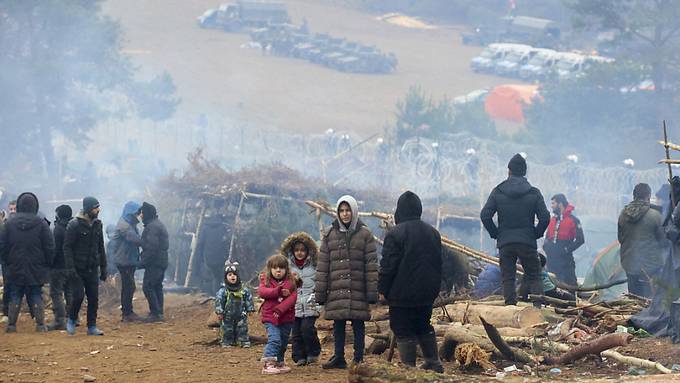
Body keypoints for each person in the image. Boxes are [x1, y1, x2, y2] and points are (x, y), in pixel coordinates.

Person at [379, 191, 444, 372]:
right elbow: (438, 264)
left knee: (403, 329)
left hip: (402, 295)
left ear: (399, 210)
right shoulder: (433, 233)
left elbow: (388, 266)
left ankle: (408, 369)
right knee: (423, 325)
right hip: (427, 293)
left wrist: (382, 289)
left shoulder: (395, 234)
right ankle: (433, 362)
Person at [316, 195, 378, 369]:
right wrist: (320, 293)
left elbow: (371, 265)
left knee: (358, 323)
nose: (344, 214)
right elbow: (323, 266)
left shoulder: (365, 234)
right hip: (337, 288)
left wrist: (372, 292)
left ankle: (358, 358)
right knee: (338, 323)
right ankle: (339, 357)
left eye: (348, 210)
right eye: (341, 210)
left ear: (354, 211)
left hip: (358, 287)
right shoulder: (329, 235)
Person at [480, 154, 550, 306]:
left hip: (506, 242)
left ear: (509, 171)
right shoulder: (534, 192)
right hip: (527, 241)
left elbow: (485, 216)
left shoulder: (498, 191)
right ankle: (538, 308)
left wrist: (496, 233)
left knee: (508, 277)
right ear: (524, 172)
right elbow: (545, 218)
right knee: (534, 275)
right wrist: (535, 234)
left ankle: (510, 307)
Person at [0, 192, 55, 332]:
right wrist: (48, 264)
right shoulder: (42, 224)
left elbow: (2, 246)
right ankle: (40, 325)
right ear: (35, 205)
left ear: (18, 205)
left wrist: (7, 263)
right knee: (36, 294)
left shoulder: (9, 224)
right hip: (36, 267)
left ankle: (11, 326)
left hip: (14, 266)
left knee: (15, 294)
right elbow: (49, 247)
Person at [64, 196, 107, 336]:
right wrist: (70, 268)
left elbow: (101, 248)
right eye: (96, 207)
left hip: (92, 268)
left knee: (93, 298)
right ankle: (71, 319)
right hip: (77, 268)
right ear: (88, 209)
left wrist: (104, 267)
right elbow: (67, 247)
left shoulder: (98, 225)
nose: (98, 210)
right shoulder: (74, 225)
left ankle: (92, 326)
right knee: (78, 296)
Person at [618, 183, 665, 298]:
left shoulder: (623, 215)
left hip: (629, 265)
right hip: (651, 268)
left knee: (634, 300)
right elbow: (663, 241)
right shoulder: (655, 216)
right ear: (648, 197)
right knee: (650, 302)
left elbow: (620, 239)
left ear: (634, 196)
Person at [281, 232, 321, 366]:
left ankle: (313, 352)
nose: (299, 253)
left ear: (308, 251)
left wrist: (319, 298)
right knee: (296, 333)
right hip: (294, 305)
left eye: (302, 250)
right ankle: (299, 356)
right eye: (297, 250)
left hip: (311, 303)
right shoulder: (287, 267)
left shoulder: (314, 265)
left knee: (307, 329)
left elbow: (320, 282)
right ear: (292, 251)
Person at [259, 254, 297, 375]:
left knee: (283, 341)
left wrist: (281, 309)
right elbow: (262, 292)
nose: (278, 270)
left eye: (281, 268)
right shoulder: (266, 281)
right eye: (275, 268)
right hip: (270, 317)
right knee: (275, 339)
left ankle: (279, 361)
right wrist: (278, 291)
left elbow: (293, 298)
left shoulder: (291, 283)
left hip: (286, 317)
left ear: (286, 269)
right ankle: (268, 363)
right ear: (270, 269)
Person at [543, 194, 584, 286]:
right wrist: (546, 247)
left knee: (569, 283)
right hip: (551, 260)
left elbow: (580, 239)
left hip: (565, 261)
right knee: (552, 282)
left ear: (560, 204)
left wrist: (566, 250)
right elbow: (548, 236)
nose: (552, 206)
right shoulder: (553, 219)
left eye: (553, 203)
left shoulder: (573, 220)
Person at [111, 201, 143, 322]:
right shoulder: (124, 225)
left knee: (129, 286)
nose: (138, 215)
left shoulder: (129, 223)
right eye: (136, 212)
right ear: (130, 213)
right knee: (128, 287)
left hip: (128, 259)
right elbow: (134, 239)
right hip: (124, 261)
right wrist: (148, 242)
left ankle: (128, 312)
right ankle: (127, 313)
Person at [139, 202, 169, 322]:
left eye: (142, 213)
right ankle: (158, 312)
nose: (140, 215)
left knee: (148, 287)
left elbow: (151, 248)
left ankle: (155, 313)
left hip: (155, 262)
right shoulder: (157, 224)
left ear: (147, 214)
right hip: (161, 261)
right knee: (157, 286)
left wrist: (142, 263)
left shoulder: (152, 227)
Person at [214, 262, 254, 348]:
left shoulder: (243, 289)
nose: (232, 276)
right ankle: (227, 341)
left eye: (235, 275)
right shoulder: (223, 290)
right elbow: (219, 301)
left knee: (242, 328)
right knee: (227, 329)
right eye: (230, 275)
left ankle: (243, 341)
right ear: (226, 277)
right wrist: (219, 312)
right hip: (227, 315)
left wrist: (250, 309)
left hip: (241, 314)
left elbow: (248, 298)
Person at [47, 205, 74, 330]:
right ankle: (73, 318)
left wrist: (49, 263)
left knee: (56, 293)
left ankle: (60, 320)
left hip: (59, 266)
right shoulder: (74, 226)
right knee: (69, 292)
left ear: (59, 215)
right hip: (71, 266)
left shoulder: (58, 229)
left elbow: (55, 249)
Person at [1, 199, 17, 322]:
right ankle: (6, 312)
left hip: (19, 261)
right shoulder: (4, 224)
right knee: (8, 286)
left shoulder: (22, 224)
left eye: (14, 209)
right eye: (10, 209)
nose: (12, 211)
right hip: (7, 261)